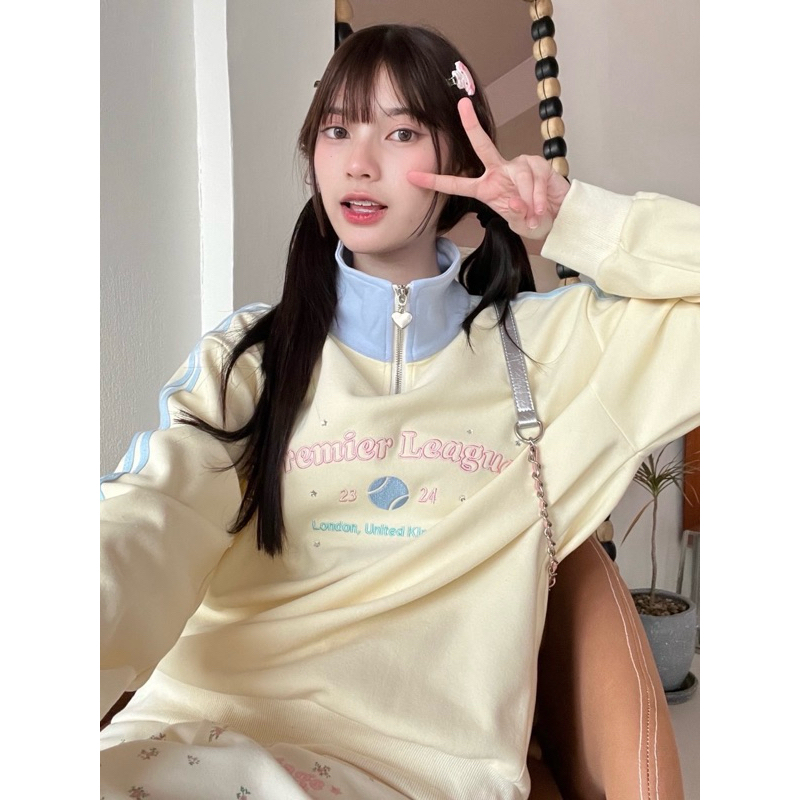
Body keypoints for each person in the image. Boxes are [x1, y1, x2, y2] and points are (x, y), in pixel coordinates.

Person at [100, 23, 699, 800]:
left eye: (401, 132)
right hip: (190, 744)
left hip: (417, 773)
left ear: (459, 161)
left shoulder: (556, 356)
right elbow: (149, 518)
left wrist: (573, 219)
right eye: (337, 129)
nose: (359, 161)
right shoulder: (249, 359)